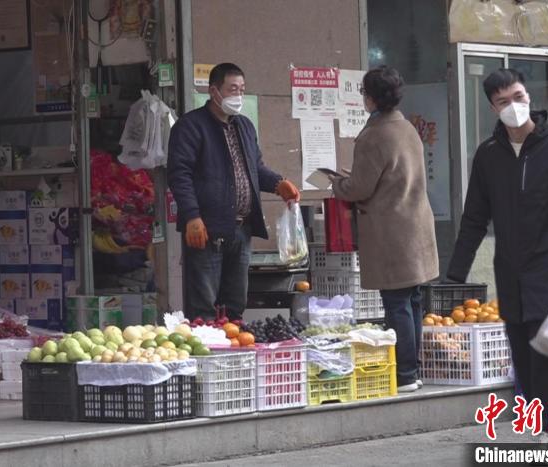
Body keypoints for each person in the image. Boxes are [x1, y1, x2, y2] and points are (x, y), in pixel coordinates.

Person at [446, 68, 548, 438]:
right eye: (503, 101)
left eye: (518, 96)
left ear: (528, 96)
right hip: (509, 269)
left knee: (545, 349)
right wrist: (455, 273)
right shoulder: (489, 155)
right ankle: (540, 426)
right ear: (492, 108)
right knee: (522, 352)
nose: (513, 106)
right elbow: (474, 217)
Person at [331, 66, 439, 393]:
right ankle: (414, 369)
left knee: (396, 303)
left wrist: (339, 184)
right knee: (413, 300)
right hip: (416, 224)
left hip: (390, 230)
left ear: (371, 96)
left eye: (364, 93)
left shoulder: (374, 133)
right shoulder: (406, 127)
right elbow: (391, 175)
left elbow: (360, 188)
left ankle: (404, 374)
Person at [168, 63, 300, 321]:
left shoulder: (245, 126)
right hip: (205, 229)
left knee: (235, 303)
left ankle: (234, 353)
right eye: (232, 89)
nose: (237, 96)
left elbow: (254, 168)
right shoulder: (190, 126)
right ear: (214, 91)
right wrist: (192, 216)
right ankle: (206, 346)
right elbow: (178, 175)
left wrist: (278, 184)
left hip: (241, 229)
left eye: (241, 89)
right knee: (204, 305)